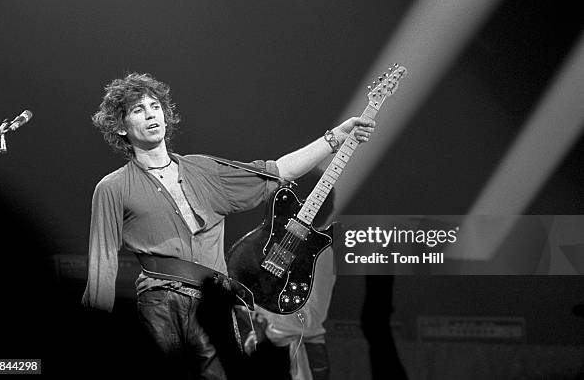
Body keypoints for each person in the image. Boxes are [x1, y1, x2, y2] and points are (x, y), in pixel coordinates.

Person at [82, 72, 374, 379]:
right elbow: (102, 265)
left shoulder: (203, 170)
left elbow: (277, 171)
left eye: (154, 106)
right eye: (138, 110)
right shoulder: (112, 187)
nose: (151, 114)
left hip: (214, 304)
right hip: (160, 301)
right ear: (119, 126)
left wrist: (335, 138)